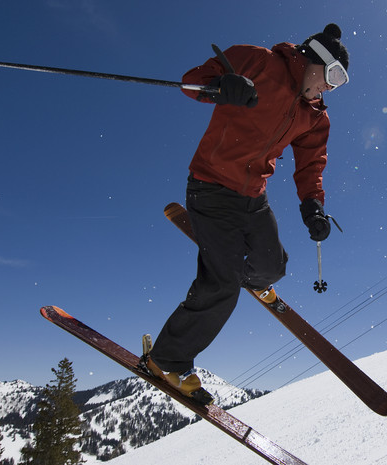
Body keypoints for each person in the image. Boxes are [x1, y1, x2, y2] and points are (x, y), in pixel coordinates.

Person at [145, 24, 350, 401]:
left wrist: (314, 207)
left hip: (254, 197)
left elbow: (310, 166)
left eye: (339, 84)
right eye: (332, 76)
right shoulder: (257, 60)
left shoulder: (315, 117)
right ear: (313, 60)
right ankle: (167, 359)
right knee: (221, 284)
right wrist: (223, 87)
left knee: (273, 268)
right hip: (210, 186)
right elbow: (192, 82)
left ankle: (248, 274)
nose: (329, 89)